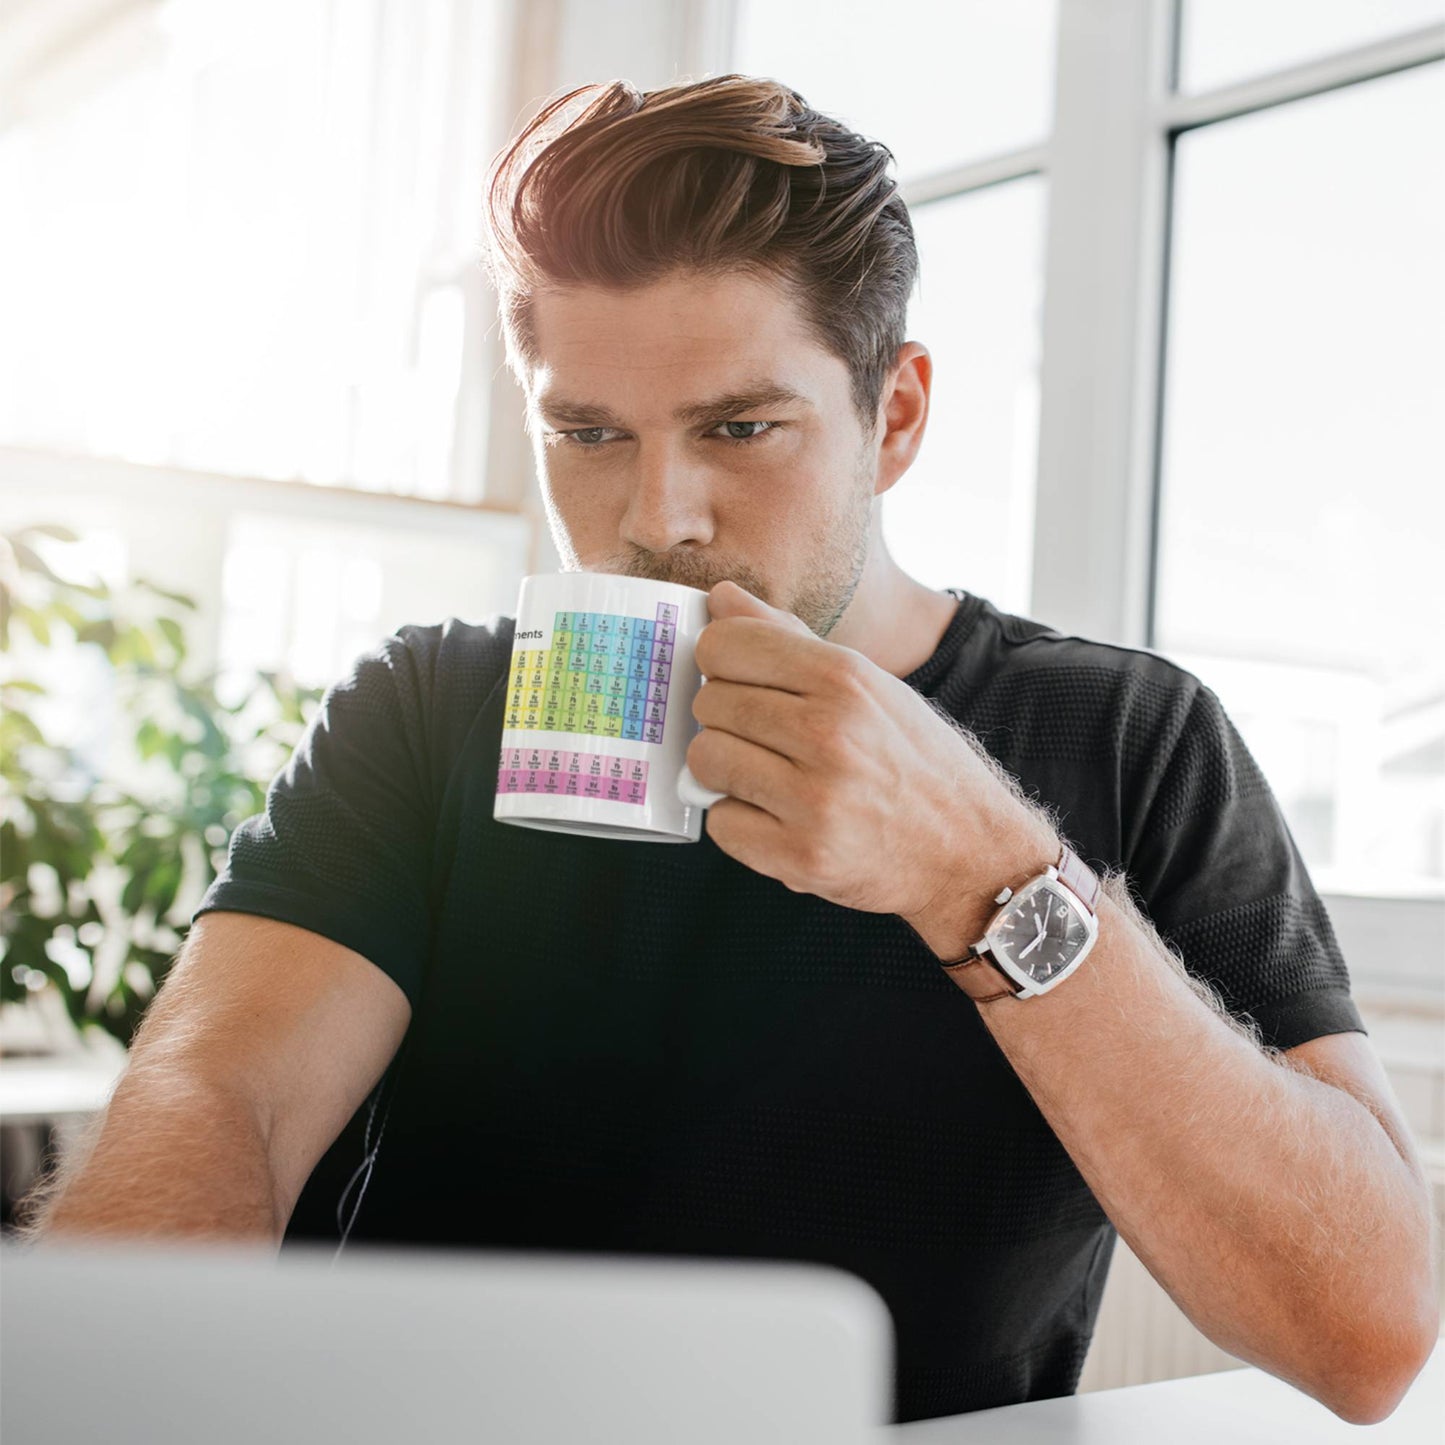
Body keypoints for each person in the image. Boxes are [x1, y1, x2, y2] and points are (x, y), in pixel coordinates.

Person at [21, 75, 1436, 1424]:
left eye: (740, 426)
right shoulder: (431, 708)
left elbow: (1365, 1335)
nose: (659, 514)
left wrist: (984, 874)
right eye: (584, 430)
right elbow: (224, 1095)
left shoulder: (1125, 737)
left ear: (894, 416)